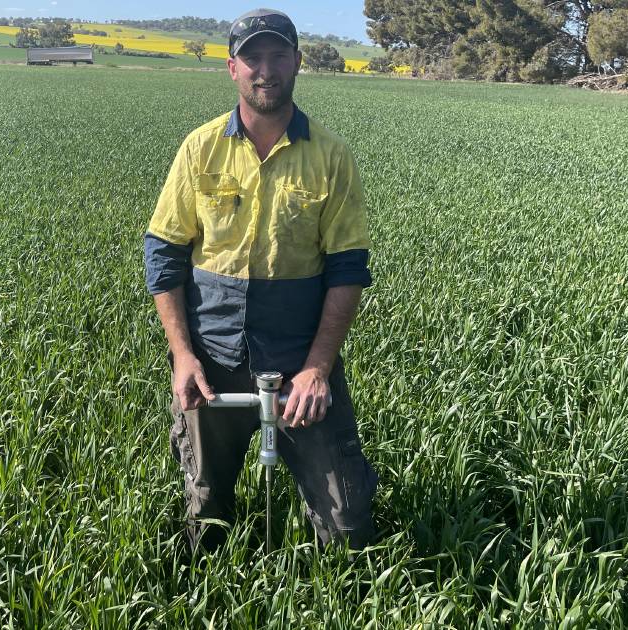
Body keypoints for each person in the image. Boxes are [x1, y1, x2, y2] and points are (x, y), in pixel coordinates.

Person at [143, 8, 379, 553]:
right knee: (206, 523)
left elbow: (347, 268)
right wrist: (183, 355)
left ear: (297, 62)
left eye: (277, 56)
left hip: (299, 361)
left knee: (349, 533)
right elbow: (164, 254)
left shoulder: (331, 157)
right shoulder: (199, 149)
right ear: (233, 68)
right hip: (213, 358)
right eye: (252, 58)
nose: (265, 70)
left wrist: (318, 369)